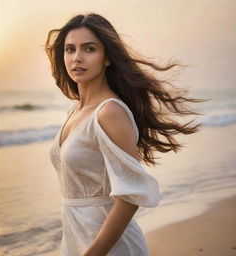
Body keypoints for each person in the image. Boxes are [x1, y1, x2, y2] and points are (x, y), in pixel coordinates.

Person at [45, 12, 204, 256]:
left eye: (89, 49)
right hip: (77, 237)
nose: (77, 58)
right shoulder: (75, 110)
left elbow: (129, 197)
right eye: (69, 49)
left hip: (110, 246)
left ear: (107, 57)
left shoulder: (110, 112)